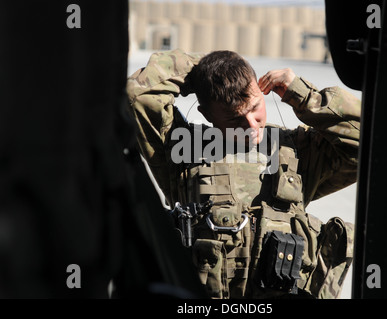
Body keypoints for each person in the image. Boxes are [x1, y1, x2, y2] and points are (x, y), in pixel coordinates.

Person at [126, 49, 361, 299]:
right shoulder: (182, 150)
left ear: (261, 91)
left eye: (256, 107)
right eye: (235, 119)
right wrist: (205, 71)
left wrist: (304, 96)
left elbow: (365, 138)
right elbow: (138, 94)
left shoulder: (296, 149)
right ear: (208, 115)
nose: (251, 125)